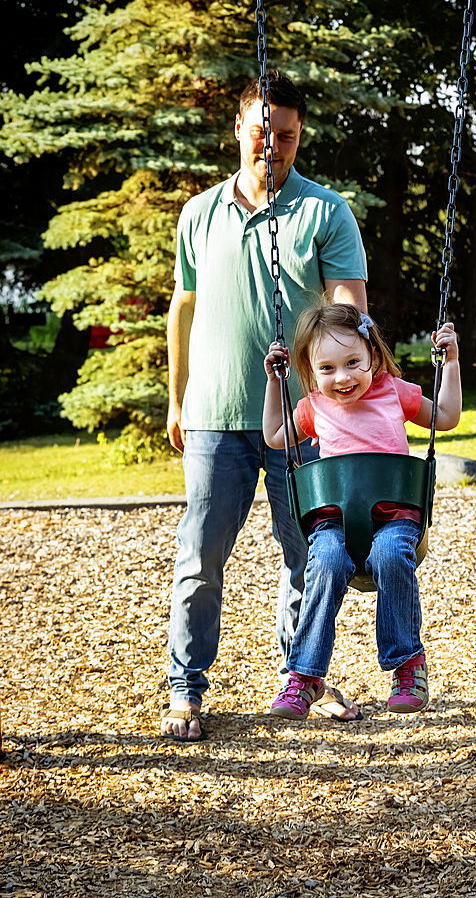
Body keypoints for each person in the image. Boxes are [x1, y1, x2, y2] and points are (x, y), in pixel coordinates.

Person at [161, 72, 367, 742]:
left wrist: (344, 394)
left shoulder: (325, 212)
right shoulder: (200, 213)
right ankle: (185, 691)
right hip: (214, 416)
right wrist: (176, 397)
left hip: (304, 421)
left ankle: (302, 679)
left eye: (287, 136)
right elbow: (182, 310)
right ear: (238, 128)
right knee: (199, 558)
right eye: (261, 131)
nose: (272, 147)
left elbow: (350, 312)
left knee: (307, 555)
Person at [262, 302, 461, 719]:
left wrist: (452, 362)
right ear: (313, 372)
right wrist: (274, 383)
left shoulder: (394, 392)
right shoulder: (312, 407)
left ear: (372, 356)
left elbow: (445, 417)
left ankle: (408, 666)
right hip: (333, 519)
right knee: (328, 560)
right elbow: (276, 436)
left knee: (390, 555)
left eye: (353, 362)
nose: (343, 377)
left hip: (395, 516)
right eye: (328, 368)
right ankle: (305, 676)